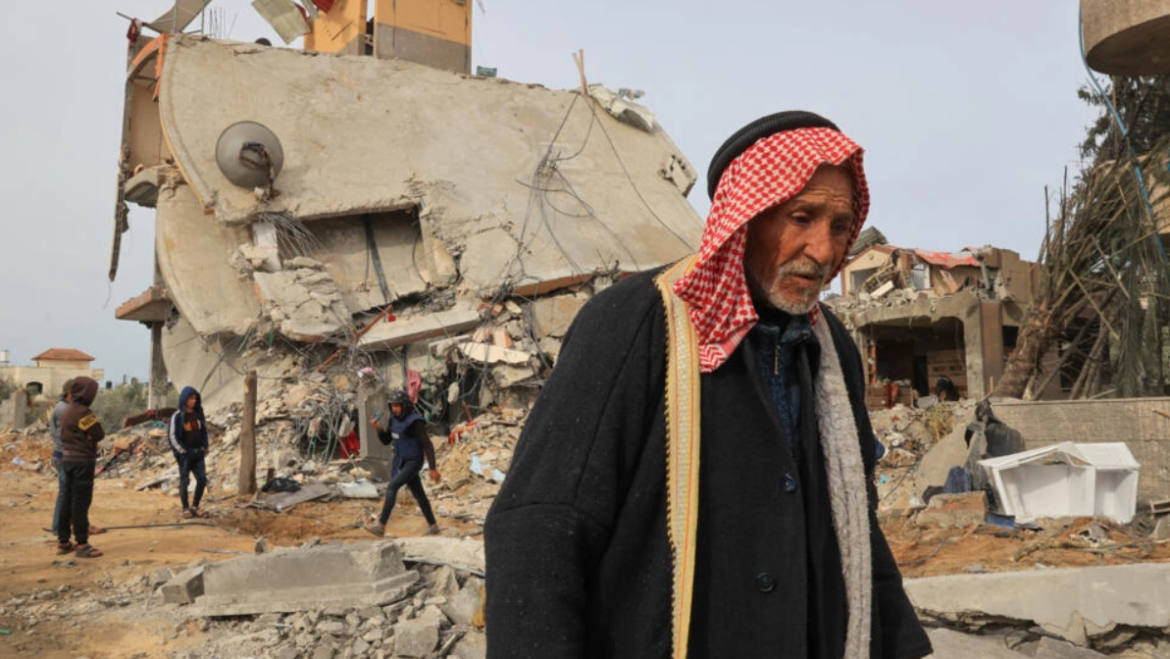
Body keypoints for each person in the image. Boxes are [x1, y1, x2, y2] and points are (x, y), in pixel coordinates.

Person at [484, 111, 932, 659]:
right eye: (800, 217)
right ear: (745, 218)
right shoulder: (636, 324)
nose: (823, 250)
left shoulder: (830, 347)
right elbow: (540, 530)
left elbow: (855, 526)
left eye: (840, 227)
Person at [365, 389, 441, 537]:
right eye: (392, 406)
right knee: (419, 494)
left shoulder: (415, 422)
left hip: (414, 461)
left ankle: (381, 525)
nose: (394, 409)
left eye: (397, 406)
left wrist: (433, 468)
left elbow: (427, 445)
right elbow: (387, 440)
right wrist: (378, 428)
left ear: (405, 406)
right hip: (401, 461)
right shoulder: (393, 420)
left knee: (392, 487)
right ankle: (433, 525)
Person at [58, 377, 105, 558]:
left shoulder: (67, 409)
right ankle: (82, 543)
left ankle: (63, 542)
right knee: (80, 503)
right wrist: (90, 438)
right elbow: (99, 433)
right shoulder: (84, 413)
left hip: (67, 459)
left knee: (67, 500)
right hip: (83, 462)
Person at [168, 387, 209, 519]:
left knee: (202, 479)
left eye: (195, 398)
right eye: (191, 398)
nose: (193, 401)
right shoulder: (177, 416)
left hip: (198, 453)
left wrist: (204, 446)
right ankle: (185, 508)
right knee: (184, 481)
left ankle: (195, 506)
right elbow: (172, 436)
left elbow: (203, 431)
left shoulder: (198, 414)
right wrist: (183, 451)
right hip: (185, 455)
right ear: (184, 399)